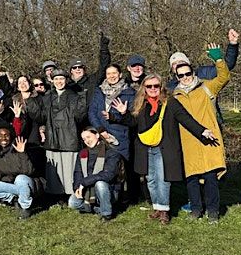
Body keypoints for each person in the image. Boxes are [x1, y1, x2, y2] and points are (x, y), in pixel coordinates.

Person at [112, 74, 218, 225]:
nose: (153, 89)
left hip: (164, 148)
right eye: (149, 86)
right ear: (144, 88)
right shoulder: (141, 104)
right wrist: (124, 114)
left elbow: (185, 118)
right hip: (146, 148)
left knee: (163, 179)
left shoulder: (171, 103)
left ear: (161, 87)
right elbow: (133, 123)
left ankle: (164, 211)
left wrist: (202, 130)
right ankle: (157, 207)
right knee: (151, 180)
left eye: (156, 86)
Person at [171, 45, 231, 222]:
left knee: (210, 176)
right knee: (192, 179)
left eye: (187, 74)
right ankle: (196, 209)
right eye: (181, 75)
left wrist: (218, 59)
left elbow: (224, 77)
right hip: (188, 141)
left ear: (192, 72)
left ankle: (213, 211)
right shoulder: (175, 95)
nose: (185, 78)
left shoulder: (206, 87)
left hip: (209, 139)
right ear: (176, 77)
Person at [27, 68, 87, 200]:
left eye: (61, 79)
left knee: (69, 167)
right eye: (56, 79)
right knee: (55, 169)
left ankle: (72, 195)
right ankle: (56, 196)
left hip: (70, 137)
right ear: (52, 81)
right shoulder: (47, 98)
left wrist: (82, 102)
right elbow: (40, 117)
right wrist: (30, 102)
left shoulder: (75, 96)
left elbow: (79, 117)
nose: (59, 81)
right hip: (52, 138)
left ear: (66, 80)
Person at [89, 63, 138, 201]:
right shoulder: (99, 91)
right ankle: (105, 197)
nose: (111, 76)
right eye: (108, 73)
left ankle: (123, 197)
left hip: (121, 135)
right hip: (102, 134)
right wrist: (101, 130)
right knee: (105, 167)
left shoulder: (129, 93)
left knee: (121, 168)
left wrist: (120, 114)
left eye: (114, 73)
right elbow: (92, 112)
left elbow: (133, 117)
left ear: (120, 75)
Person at [0, 127, 37, 219]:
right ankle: (13, 198)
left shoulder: (19, 148)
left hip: (28, 183)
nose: (3, 138)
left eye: (6, 135)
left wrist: (22, 153)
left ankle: (25, 207)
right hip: (10, 184)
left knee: (20, 178)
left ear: (11, 136)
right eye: (0, 136)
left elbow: (28, 171)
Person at [68, 126, 122, 221]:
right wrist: (77, 188)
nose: (87, 141)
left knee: (100, 183)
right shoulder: (82, 153)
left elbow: (107, 175)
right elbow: (78, 173)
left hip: (108, 190)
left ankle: (106, 214)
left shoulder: (111, 152)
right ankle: (96, 208)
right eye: (84, 139)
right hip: (87, 190)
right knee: (72, 203)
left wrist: (84, 183)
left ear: (97, 135)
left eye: (89, 137)